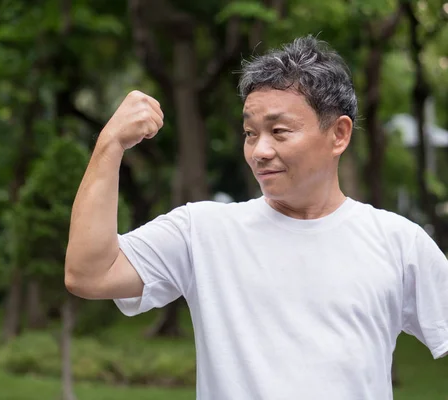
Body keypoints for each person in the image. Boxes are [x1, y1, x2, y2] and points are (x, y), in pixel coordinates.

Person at [64, 35, 448, 399]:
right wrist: (110, 144)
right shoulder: (203, 232)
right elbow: (89, 273)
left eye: (279, 131)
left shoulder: (398, 242)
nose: (260, 150)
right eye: (250, 133)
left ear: (339, 134)